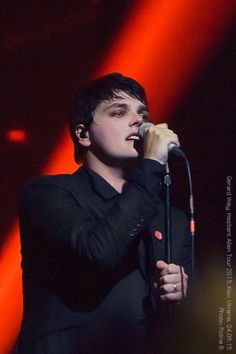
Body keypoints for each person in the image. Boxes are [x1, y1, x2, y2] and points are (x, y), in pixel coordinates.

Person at [16, 73, 191, 354]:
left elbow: (187, 325)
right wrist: (151, 165)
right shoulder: (47, 193)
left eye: (142, 113)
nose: (138, 121)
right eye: (119, 112)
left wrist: (179, 293)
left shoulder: (172, 219)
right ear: (83, 134)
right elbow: (99, 251)